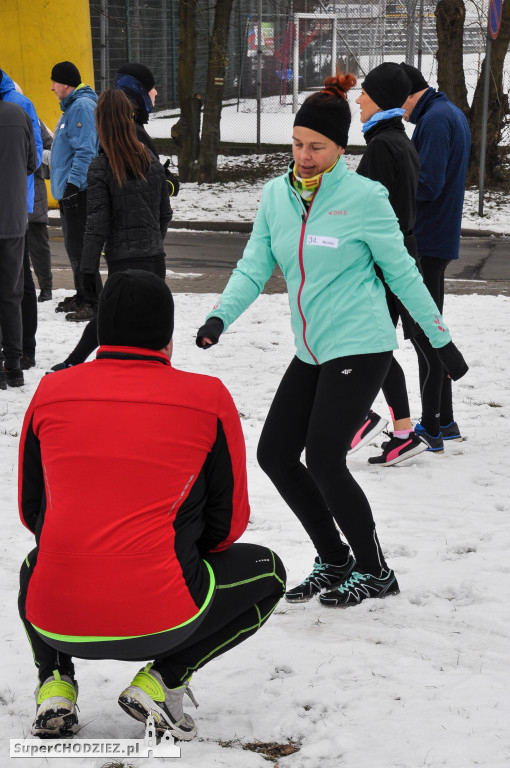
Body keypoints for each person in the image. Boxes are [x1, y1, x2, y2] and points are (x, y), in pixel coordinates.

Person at [196, 74, 468, 608]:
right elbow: (255, 265)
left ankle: (374, 570)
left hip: (362, 344)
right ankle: (335, 558)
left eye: (316, 147)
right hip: (311, 348)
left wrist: (440, 341)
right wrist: (219, 317)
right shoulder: (277, 196)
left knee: (323, 457)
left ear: (341, 148)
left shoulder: (364, 198)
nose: (303, 155)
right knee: (275, 453)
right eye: (297, 143)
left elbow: (403, 273)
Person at [18, 269, 286, 739]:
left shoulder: (50, 391)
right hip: (164, 617)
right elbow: (228, 526)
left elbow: (31, 511)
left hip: (54, 619)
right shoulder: (208, 398)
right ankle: (165, 678)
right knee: (270, 573)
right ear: (167, 337)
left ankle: (55, 687)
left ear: (100, 331)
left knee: (33, 563)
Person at [49, 88, 171, 371]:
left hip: (124, 264)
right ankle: (156, 384)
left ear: (101, 122)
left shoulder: (101, 167)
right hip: (155, 262)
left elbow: (97, 222)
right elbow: (165, 213)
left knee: (110, 321)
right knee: (154, 331)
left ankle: (71, 365)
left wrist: (88, 268)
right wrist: (152, 240)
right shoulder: (150, 162)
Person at [349, 62, 426, 466]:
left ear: (379, 98)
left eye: (364, 92)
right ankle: (401, 431)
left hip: (383, 262)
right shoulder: (399, 140)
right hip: (398, 256)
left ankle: (365, 419)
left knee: (366, 345)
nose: (357, 99)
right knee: (376, 345)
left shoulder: (383, 146)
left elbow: (365, 212)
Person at [400, 62, 471, 451]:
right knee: (431, 331)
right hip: (437, 238)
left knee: (426, 335)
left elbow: (427, 184)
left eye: (401, 104)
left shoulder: (436, 120)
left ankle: (431, 425)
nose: (402, 114)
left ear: (412, 95)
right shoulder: (447, 113)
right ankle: (445, 421)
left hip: (427, 240)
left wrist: (391, 188)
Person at [49, 61, 101, 321]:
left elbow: (85, 152)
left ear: (66, 83)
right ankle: (83, 295)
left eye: (54, 82)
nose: (51, 87)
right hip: (70, 191)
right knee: (74, 248)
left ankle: (93, 300)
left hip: (78, 192)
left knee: (82, 248)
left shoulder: (81, 107)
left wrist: (72, 185)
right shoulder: (72, 107)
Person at [0, 69, 42, 382]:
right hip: (13, 219)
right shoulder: (18, 112)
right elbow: (33, 163)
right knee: (12, 294)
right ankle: (13, 366)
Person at [114, 62, 180, 198]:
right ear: (140, 91)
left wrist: (159, 170)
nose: (156, 92)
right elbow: (137, 184)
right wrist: (167, 184)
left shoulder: (124, 122)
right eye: (151, 88)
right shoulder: (132, 130)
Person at [28, 120, 54, 306]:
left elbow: (52, 147)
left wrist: (34, 158)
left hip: (33, 189)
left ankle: (46, 288)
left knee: (38, 244)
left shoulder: (34, 119)